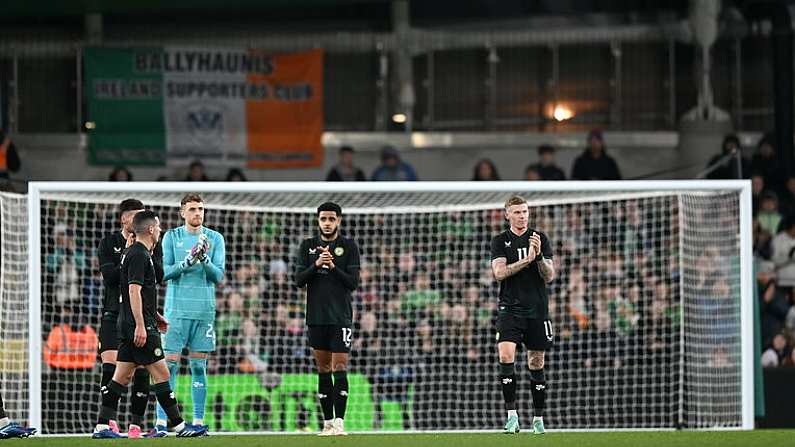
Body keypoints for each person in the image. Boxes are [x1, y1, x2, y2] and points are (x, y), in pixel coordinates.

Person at [92, 211, 208, 438]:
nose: (161, 230)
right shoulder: (139, 254)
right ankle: (179, 426)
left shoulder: (133, 253)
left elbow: (137, 292)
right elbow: (134, 291)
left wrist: (155, 315)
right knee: (162, 374)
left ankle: (102, 426)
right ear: (151, 230)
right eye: (159, 227)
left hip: (132, 322)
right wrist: (141, 325)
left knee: (121, 377)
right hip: (139, 326)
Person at [155, 194, 225, 433]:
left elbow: (218, 276)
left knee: (198, 367)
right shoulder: (171, 237)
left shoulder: (215, 238)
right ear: (182, 213)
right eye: (193, 209)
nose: (198, 213)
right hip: (176, 312)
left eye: (201, 209)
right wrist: (186, 262)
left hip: (204, 311)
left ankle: (197, 422)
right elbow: (163, 273)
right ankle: (163, 423)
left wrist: (203, 258)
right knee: (169, 367)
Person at [489, 195, 556, 435]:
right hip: (510, 308)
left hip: (537, 309)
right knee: (506, 356)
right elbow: (499, 273)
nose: (522, 216)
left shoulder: (539, 238)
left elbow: (549, 276)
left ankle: (538, 419)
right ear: (507, 215)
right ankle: (512, 416)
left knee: (536, 362)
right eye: (517, 212)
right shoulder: (500, 241)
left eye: (525, 211)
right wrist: (525, 260)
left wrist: (537, 258)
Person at [294, 202, 361, 436]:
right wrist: (317, 264)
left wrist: (332, 266)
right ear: (318, 221)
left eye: (332, 219)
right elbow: (299, 280)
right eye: (323, 219)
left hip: (341, 317)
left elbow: (353, 283)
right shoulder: (308, 246)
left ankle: (340, 422)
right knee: (322, 368)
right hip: (316, 317)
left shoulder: (348, 246)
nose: (327, 223)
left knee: (340, 366)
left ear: (339, 221)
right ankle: (327, 423)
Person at [96, 199, 162, 437]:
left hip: (140, 314)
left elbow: (159, 275)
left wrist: (146, 253)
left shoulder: (150, 242)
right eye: (134, 215)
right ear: (124, 218)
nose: (138, 220)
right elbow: (110, 277)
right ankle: (108, 423)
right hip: (114, 313)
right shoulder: (109, 243)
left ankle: (135, 425)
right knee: (112, 368)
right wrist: (129, 255)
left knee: (142, 370)